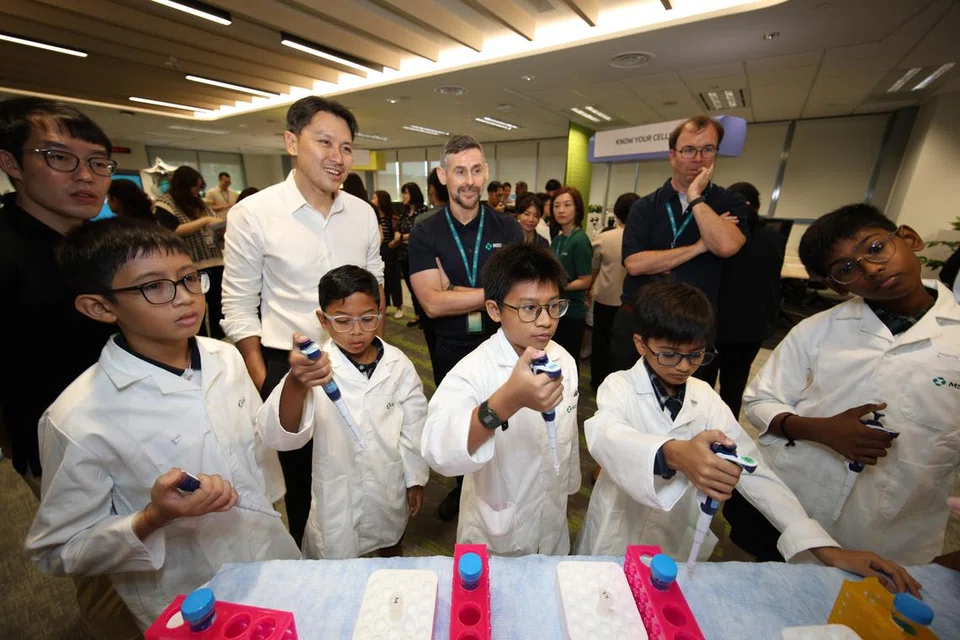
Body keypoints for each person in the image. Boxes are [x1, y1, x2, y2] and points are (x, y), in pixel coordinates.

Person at [25, 218, 299, 631]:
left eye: (189, 278)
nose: (184, 297)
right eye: (153, 286)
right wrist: (153, 516)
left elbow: (256, 448)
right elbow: (58, 549)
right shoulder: (78, 417)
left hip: (267, 553)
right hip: (186, 592)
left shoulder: (223, 358)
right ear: (100, 307)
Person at [574, 282, 921, 597]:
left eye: (696, 355)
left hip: (674, 537)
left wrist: (824, 547)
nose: (683, 366)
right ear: (640, 344)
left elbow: (755, 470)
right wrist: (673, 454)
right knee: (603, 601)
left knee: (661, 606)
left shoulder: (705, 398)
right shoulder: (618, 386)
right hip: (617, 529)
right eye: (669, 354)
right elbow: (605, 435)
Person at [737, 204, 960, 566]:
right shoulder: (816, 330)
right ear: (835, 286)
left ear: (908, 238)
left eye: (875, 248)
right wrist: (818, 430)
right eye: (846, 269)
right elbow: (760, 399)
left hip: (896, 529)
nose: (871, 269)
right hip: (796, 501)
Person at [221, 96, 384, 548]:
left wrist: (376, 355)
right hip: (289, 367)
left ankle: (367, 548)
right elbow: (237, 306)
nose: (338, 157)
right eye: (325, 142)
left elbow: (378, 285)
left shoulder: (363, 213)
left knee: (361, 462)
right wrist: (264, 380)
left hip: (356, 355)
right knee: (305, 482)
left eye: (347, 147)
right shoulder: (254, 214)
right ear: (292, 142)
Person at [0, 97, 136, 639]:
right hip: (64, 442)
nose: (85, 177)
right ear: (12, 164)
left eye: (98, 163)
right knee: (106, 571)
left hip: (133, 420)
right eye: (59, 158)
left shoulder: (93, 244)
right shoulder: (8, 254)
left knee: (149, 548)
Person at [258, 265, 429, 559]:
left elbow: (414, 424)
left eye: (367, 318)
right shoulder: (315, 370)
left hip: (388, 478)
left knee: (391, 541)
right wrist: (296, 385)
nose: (357, 331)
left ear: (380, 311)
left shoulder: (398, 364)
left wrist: (415, 478)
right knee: (338, 558)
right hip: (339, 488)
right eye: (343, 320)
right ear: (322, 320)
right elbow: (280, 436)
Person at [421, 243, 581, 555]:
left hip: (551, 515)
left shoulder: (563, 359)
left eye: (553, 306)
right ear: (495, 310)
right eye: (529, 308)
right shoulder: (473, 370)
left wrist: (567, 485)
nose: (546, 320)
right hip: (497, 530)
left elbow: (567, 439)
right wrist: (505, 402)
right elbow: (438, 449)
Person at [409, 134, 523, 521]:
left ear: (486, 172)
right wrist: (490, 293)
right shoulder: (426, 230)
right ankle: (463, 492)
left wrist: (455, 290)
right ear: (443, 175)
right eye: (460, 171)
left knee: (506, 420)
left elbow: (517, 291)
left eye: (476, 170)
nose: (469, 180)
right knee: (460, 422)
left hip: (502, 343)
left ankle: (503, 492)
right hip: (452, 346)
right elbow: (431, 303)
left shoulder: (507, 227)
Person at [611, 115, 750, 376]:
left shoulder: (729, 202)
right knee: (627, 401)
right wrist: (699, 246)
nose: (698, 158)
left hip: (693, 329)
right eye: (689, 150)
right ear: (672, 155)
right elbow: (635, 264)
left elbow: (726, 246)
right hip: (641, 323)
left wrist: (696, 197)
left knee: (689, 407)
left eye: (707, 149)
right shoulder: (645, 206)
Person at [700, 182, 784, 417]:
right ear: (758, 205)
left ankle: (697, 432)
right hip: (751, 328)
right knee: (734, 387)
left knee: (702, 387)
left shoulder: (719, 235)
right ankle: (727, 436)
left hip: (716, 325)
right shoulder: (774, 238)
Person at [153, 166, 225, 340]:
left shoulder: (199, 203)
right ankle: (197, 342)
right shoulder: (166, 203)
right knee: (194, 308)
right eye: (194, 187)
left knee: (218, 309)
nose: (197, 191)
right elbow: (172, 231)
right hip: (190, 266)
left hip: (215, 262)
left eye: (200, 187)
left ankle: (218, 342)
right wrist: (204, 221)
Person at [590, 192, 639, 391]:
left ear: (617, 214)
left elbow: (593, 269)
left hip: (604, 297)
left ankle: (598, 381)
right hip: (631, 302)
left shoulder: (604, 238)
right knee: (625, 346)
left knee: (600, 342)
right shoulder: (644, 239)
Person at [550, 186, 593, 361]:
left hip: (572, 312)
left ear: (577, 209)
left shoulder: (580, 240)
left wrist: (558, 286)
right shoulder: (558, 239)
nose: (561, 210)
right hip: (556, 310)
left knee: (568, 359)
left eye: (567, 205)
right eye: (556, 206)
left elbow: (586, 281)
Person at [399, 182, 428, 327]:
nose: (403, 196)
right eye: (402, 193)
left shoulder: (423, 212)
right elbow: (398, 231)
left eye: (406, 193)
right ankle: (418, 315)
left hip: (418, 255)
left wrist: (402, 237)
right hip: (404, 255)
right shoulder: (404, 213)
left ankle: (425, 316)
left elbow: (418, 233)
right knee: (411, 288)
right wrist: (402, 237)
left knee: (421, 288)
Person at [373, 190, 403, 319]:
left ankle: (399, 306)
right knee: (382, 279)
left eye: (374, 197)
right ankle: (385, 305)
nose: (372, 200)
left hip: (390, 250)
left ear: (381, 200)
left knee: (393, 278)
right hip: (378, 251)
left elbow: (397, 231)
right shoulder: (373, 217)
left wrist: (394, 241)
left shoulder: (392, 217)